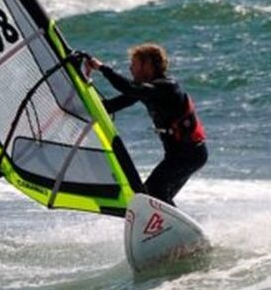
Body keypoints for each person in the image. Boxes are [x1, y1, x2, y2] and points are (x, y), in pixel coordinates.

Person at [84, 43, 207, 205]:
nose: (130, 69)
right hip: (180, 155)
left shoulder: (167, 87)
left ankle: (171, 228)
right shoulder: (148, 91)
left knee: (153, 193)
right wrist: (82, 85)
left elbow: (129, 88)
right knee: (157, 198)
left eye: (133, 64)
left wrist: (102, 68)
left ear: (147, 65)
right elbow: (109, 107)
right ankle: (174, 229)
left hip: (190, 154)